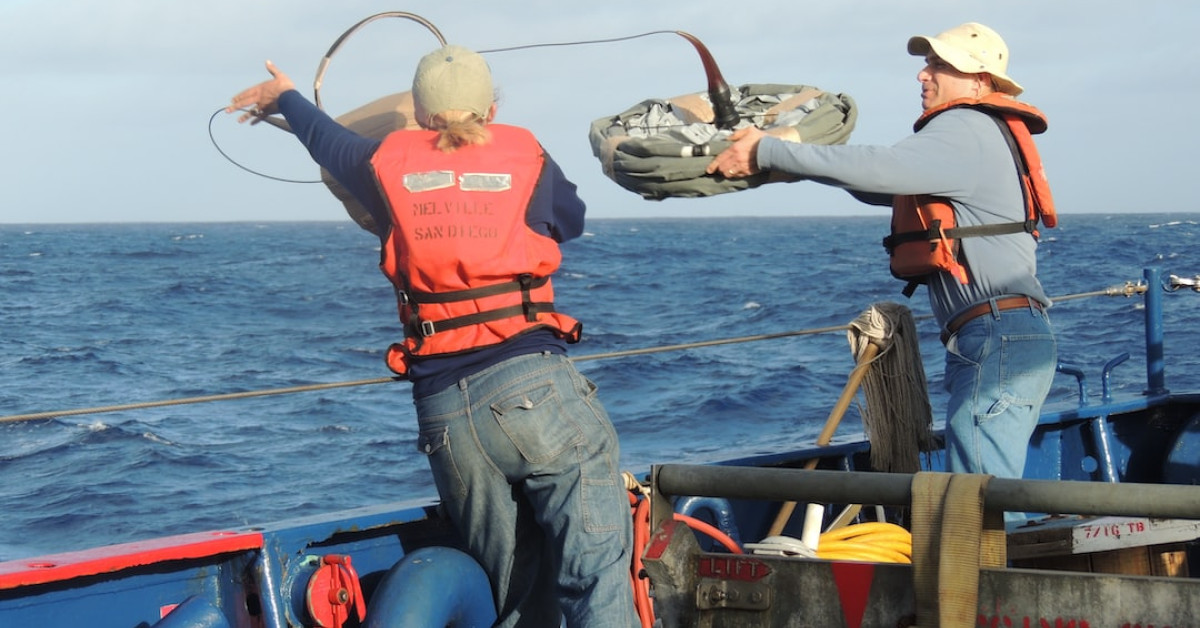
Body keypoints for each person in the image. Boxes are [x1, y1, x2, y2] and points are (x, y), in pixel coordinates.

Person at [228, 46, 638, 628]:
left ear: (420, 114)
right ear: (491, 108)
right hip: (535, 390)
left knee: (517, 599)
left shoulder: (381, 163)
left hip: (446, 417)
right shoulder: (527, 154)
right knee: (594, 576)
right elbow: (569, 220)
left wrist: (285, 97)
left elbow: (325, 139)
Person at [707, 22, 1057, 483]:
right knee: (979, 489)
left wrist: (769, 150)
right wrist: (796, 166)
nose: (923, 75)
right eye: (927, 64)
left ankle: (988, 537)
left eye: (939, 65)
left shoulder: (966, 126)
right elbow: (881, 188)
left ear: (978, 81)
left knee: (978, 497)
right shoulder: (978, 132)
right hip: (997, 336)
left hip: (997, 335)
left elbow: (880, 168)